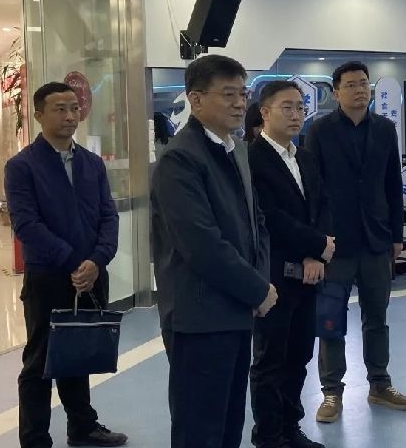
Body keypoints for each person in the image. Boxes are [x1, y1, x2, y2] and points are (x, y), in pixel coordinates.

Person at [151, 54, 277, 448]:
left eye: (243, 94)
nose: (240, 103)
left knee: (228, 423)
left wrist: (258, 285)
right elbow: (200, 243)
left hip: (237, 310)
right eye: (228, 94)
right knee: (200, 428)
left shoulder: (236, 149)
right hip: (199, 316)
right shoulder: (180, 158)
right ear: (196, 99)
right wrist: (256, 289)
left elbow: (257, 223)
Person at [5, 82, 126, 448]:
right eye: (60, 108)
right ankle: (35, 438)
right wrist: (75, 262)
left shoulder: (91, 163)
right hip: (49, 278)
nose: (70, 115)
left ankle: (82, 426)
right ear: (39, 115)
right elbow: (27, 225)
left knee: (79, 352)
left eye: (74, 108)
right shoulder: (22, 166)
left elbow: (108, 216)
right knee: (39, 362)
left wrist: (97, 260)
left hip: (91, 275)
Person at [305, 61, 406, 423]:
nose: (359, 90)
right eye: (351, 85)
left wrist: (396, 234)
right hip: (335, 244)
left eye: (364, 83)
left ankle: (380, 384)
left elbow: (392, 185)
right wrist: (317, 242)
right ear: (336, 92)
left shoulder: (384, 129)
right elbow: (312, 191)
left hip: (376, 240)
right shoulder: (319, 131)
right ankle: (331, 392)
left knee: (377, 317)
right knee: (331, 320)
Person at [248, 81, 332, 448]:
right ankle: (268, 436)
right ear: (264, 112)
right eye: (287, 107)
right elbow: (270, 216)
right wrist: (316, 245)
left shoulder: (305, 157)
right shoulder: (253, 159)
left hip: (309, 275)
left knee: (299, 356)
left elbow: (322, 206)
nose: (296, 114)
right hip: (273, 276)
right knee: (271, 360)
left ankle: (289, 427)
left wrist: (316, 254)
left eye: (300, 107)